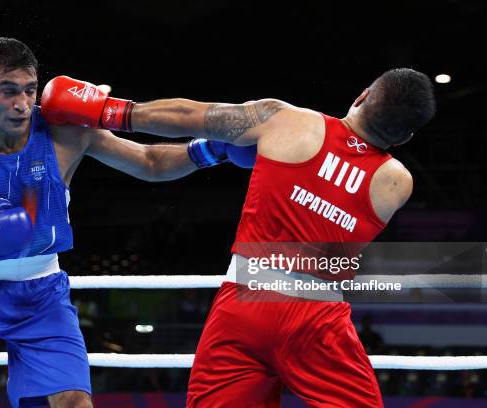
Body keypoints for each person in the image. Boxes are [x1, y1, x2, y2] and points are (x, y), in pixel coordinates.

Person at [0, 37, 255, 408]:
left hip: (40, 299)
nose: (23, 104)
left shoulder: (65, 131)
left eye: (30, 90)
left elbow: (149, 162)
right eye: (9, 91)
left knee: (73, 402)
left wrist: (212, 148)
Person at [40, 68, 436, 407]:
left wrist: (109, 111)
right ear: (405, 138)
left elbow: (187, 115)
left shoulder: (286, 120)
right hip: (317, 319)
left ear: (363, 95)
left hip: (245, 302)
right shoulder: (398, 182)